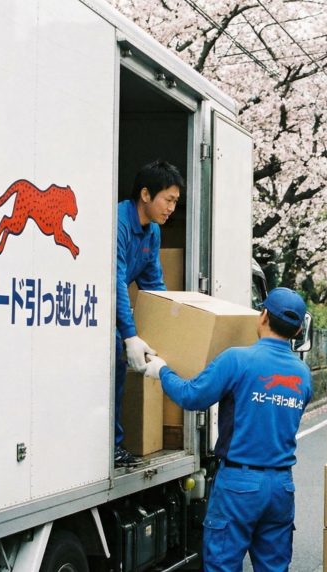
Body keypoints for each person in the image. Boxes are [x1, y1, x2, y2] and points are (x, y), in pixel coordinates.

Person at [144, 287, 312, 572]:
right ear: (298, 331)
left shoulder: (238, 360)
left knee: (223, 564)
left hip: (239, 483)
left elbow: (191, 396)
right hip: (281, 487)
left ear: (264, 316)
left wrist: (161, 370)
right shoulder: (302, 374)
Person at [114, 159, 184, 467]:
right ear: (145, 194)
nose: (171, 208)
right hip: (94, 307)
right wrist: (129, 334)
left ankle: (114, 444)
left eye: (175, 202)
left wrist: (171, 329)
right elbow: (113, 280)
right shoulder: (118, 222)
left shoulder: (152, 232)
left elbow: (153, 283)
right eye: (168, 200)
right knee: (116, 359)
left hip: (114, 307)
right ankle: (112, 446)